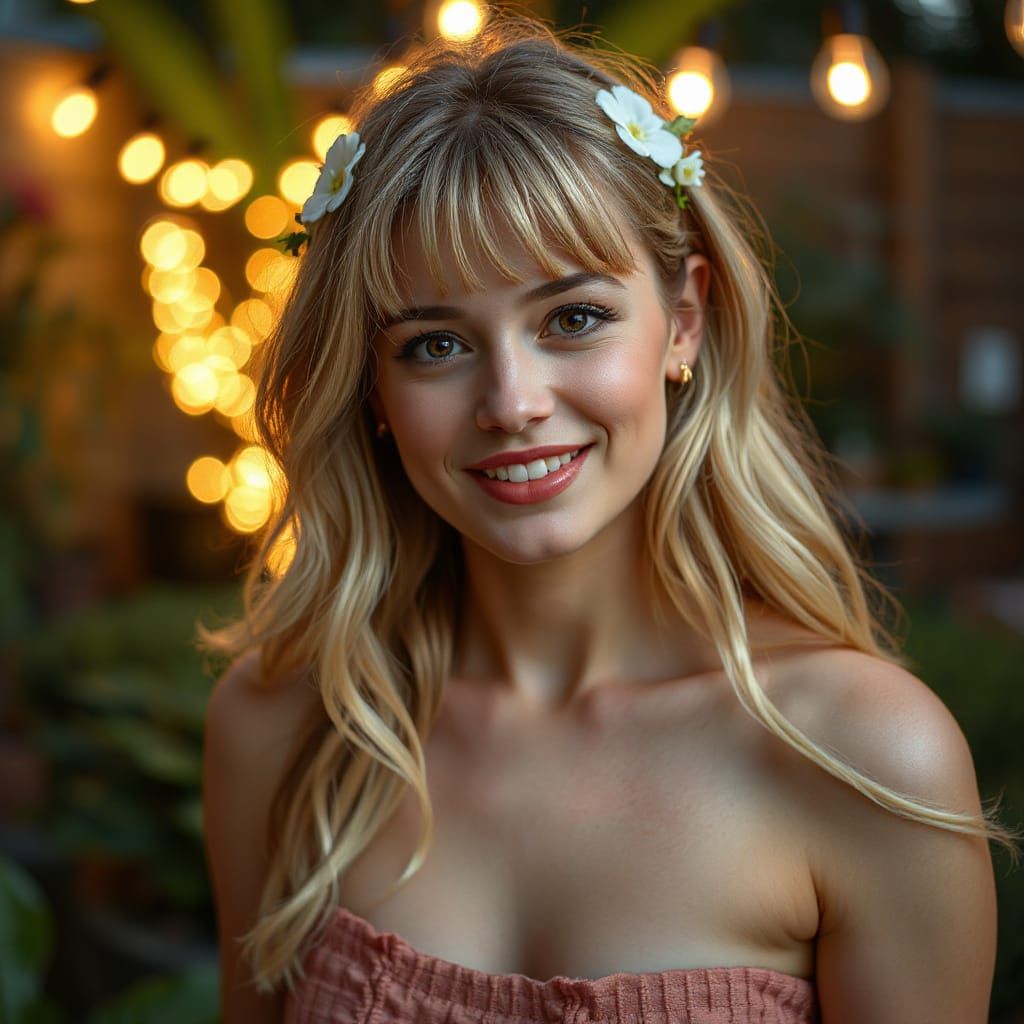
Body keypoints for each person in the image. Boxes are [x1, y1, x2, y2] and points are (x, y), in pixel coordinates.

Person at [200, 15, 1017, 1024]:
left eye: (571, 318)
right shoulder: (285, 726)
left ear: (682, 319)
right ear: (368, 383)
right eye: (433, 345)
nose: (513, 399)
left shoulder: (859, 754)